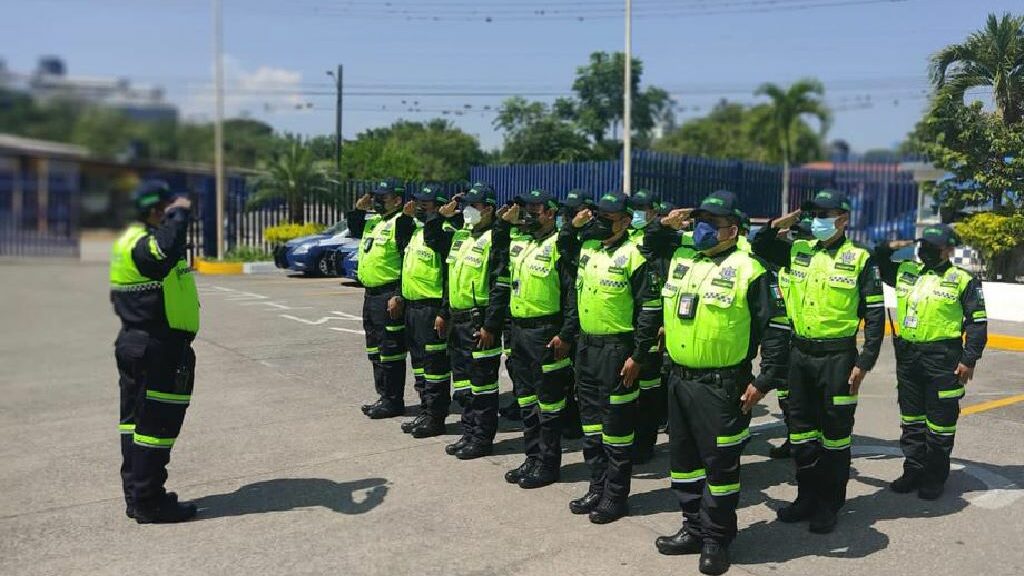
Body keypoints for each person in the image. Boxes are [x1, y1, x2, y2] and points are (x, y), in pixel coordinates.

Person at [651, 190, 790, 575]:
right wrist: (664, 224)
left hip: (722, 386)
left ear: (733, 230)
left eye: (713, 223)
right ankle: (693, 528)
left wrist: (764, 381)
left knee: (720, 468)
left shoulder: (751, 269)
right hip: (679, 380)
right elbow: (650, 243)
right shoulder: (684, 259)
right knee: (684, 464)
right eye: (700, 221)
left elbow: (777, 329)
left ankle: (716, 539)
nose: (703, 229)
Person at [751, 189, 884, 534]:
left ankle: (829, 504)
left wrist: (865, 361)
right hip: (799, 354)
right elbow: (760, 245)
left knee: (835, 435)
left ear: (844, 219)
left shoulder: (860, 258)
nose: (818, 221)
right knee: (802, 433)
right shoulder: (799, 250)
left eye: (825, 215)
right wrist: (783, 221)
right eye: (814, 215)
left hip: (838, 358)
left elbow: (874, 313)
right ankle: (806, 497)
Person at [565, 191, 662, 524]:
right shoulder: (589, 249)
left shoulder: (635, 255)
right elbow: (566, 261)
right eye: (598, 216)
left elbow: (649, 310)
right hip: (587, 348)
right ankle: (597, 487)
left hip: (618, 351)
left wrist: (639, 355)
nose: (600, 223)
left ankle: (615, 496)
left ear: (625, 221)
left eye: (608, 218)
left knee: (617, 430)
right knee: (591, 426)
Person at [874, 224, 987, 499]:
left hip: (943, 359)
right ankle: (913, 470)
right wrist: (893, 245)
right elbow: (877, 260)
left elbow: (977, 323)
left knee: (940, 423)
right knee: (911, 420)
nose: (924, 251)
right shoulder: (906, 271)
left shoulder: (962, 279)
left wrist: (969, 358)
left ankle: (934, 476)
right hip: (909, 357)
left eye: (931, 247)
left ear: (948, 250)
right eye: (922, 245)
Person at [110, 180, 200, 523]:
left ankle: (137, 497)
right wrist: (180, 213)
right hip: (157, 347)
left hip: (139, 342)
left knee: (136, 424)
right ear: (154, 209)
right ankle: (150, 502)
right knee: (156, 425)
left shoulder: (130, 240)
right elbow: (163, 253)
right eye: (165, 208)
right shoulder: (143, 244)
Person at [490, 189, 578, 488]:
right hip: (519, 331)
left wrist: (566, 334)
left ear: (551, 214)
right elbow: (497, 251)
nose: (528, 214)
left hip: (546, 332)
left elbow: (572, 294)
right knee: (526, 400)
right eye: (525, 208)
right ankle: (532, 457)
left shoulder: (559, 245)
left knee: (549, 405)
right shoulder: (521, 242)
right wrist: (503, 222)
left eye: (535, 209)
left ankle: (548, 464)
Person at [436, 183, 507, 460]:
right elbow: (450, 278)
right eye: (465, 205)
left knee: (483, 385)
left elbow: (499, 287)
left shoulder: (495, 238)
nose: (467, 210)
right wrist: (444, 312)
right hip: (458, 320)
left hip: (479, 322)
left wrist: (491, 326)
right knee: (464, 384)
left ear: (488, 209)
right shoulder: (461, 236)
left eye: (473, 205)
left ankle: (481, 438)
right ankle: (468, 432)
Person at [349, 181, 417, 420]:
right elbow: (355, 229)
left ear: (397, 200)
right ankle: (383, 396)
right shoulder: (375, 222)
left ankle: (393, 400)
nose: (376, 202)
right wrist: (358, 210)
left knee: (391, 351)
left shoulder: (402, 223)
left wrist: (398, 294)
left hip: (389, 295)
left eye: (382, 197)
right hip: (371, 294)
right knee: (375, 349)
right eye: (375, 197)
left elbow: (408, 263)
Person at [399, 185, 458, 438]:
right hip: (413, 307)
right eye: (419, 202)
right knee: (420, 365)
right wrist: (404, 217)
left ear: (440, 206)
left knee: (435, 367)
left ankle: (436, 417)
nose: (420, 207)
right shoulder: (417, 231)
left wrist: (444, 311)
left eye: (426, 203)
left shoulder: (446, 232)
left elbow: (449, 277)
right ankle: (425, 411)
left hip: (432, 308)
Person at [627, 189, 666, 464]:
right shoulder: (628, 238)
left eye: (644, 208)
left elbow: (668, 284)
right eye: (635, 208)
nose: (638, 213)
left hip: (652, 323)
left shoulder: (663, 243)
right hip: (627, 324)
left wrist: (663, 322)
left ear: (655, 211)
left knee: (649, 391)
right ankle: (630, 439)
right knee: (628, 388)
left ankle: (645, 443)